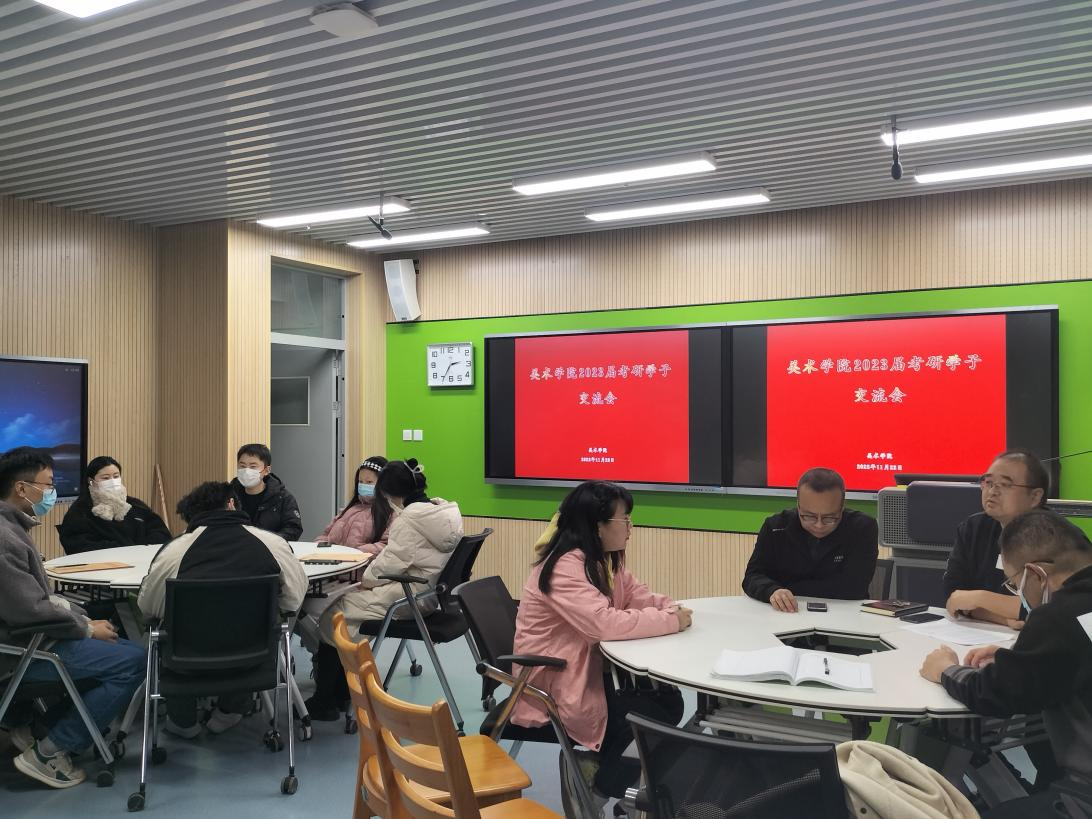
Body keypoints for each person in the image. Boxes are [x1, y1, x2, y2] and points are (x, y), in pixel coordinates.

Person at [511, 481, 691, 810]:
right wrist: (669, 620)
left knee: (669, 701)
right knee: (645, 721)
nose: (630, 528)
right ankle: (595, 796)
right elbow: (603, 624)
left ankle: (601, 777)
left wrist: (671, 608)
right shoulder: (565, 567)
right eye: (625, 520)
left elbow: (636, 595)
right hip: (557, 681)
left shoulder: (604, 560)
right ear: (598, 526)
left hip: (589, 670)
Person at [920, 509, 1092, 817]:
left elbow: (995, 694)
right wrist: (1015, 656)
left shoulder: (1057, 617)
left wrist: (945, 669)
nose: (1018, 594)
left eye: (1015, 584)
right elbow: (1072, 654)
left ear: (1036, 575)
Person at [0, 447, 145, 789]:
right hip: (20, 650)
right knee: (134, 662)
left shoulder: (12, 528)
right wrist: (85, 628)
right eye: (48, 484)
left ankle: (39, 730)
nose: (52, 492)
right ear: (22, 488)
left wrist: (83, 621)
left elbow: (37, 600)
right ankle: (51, 750)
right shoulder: (5, 539)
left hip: (31, 638)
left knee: (124, 647)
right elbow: (30, 609)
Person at [137, 480, 307, 738]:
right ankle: (229, 712)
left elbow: (149, 606)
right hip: (253, 657)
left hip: (186, 660)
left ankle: (183, 722)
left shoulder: (175, 551)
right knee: (256, 627)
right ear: (231, 504)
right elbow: (293, 599)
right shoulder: (272, 544)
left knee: (161, 632)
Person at [308, 459, 462, 720]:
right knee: (345, 611)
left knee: (334, 616)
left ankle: (326, 699)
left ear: (389, 493)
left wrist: (366, 582)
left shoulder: (408, 519)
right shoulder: (442, 512)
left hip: (407, 597)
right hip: (427, 594)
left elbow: (391, 562)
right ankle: (343, 691)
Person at [742, 467, 879, 611]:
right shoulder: (776, 527)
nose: (819, 525)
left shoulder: (862, 528)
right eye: (809, 516)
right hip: (787, 613)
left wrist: (788, 587)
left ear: (842, 508)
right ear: (798, 506)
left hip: (844, 613)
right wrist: (772, 591)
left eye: (829, 518)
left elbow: (854, 587)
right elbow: (752, 576)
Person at [943, 449, 1049, 628]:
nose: (992, 491)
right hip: (983, 633)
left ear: (1034, 496)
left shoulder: (1056, 537)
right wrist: (1004, 619)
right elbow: (953, 597)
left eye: (1005, 485)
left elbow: (1048, 608)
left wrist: (979, 598)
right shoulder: (973, 528)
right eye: (989, 482)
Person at [56, 455, 172, 554]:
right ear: (91, 481)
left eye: (116, 476)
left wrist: (141, 549)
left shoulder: (136, 506)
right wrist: (126, 549)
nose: (112, 481)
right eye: (105, 478)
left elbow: (161, 533)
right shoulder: (80, 512)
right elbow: (80, 546)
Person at [315, 456, 392, 553]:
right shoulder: (350, 509)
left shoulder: (390, 513)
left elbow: (387, 545)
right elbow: (326, 535)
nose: (363, 485)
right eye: (360, 481)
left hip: (364, 562)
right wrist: (318, 545)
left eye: (369, 482)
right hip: (339, 561)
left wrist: (356, 552)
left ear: (383, 484)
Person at [229, 443, 303, 542]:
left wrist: (265, 540)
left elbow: (293, 529)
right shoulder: (229, 496)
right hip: (235, 548)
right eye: (242, 466)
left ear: (267, 470)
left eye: (253, 466)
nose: (246, 471)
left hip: (271, 549)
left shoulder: (283, 498)